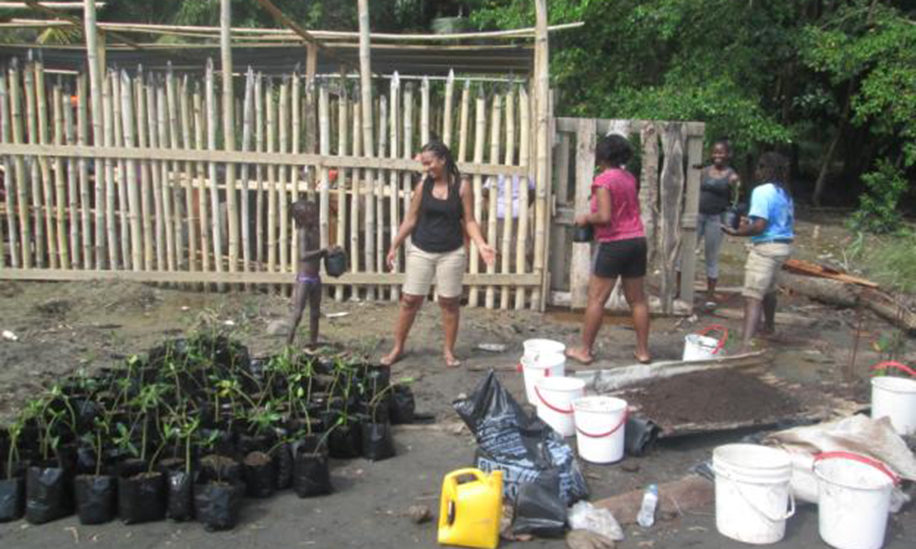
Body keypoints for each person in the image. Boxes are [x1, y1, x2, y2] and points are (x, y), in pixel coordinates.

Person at [380, 140, 497, 368]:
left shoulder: (462, 187)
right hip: (421, 250)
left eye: (429, 163)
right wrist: (394, 245)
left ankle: (448, 351)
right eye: (423, 164)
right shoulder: (423, 187)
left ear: (443, 160)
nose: (426, 168)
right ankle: (397, 347)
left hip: (451, 253)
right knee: (409, 301)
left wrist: (482, 244)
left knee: (449, 303)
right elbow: (411, 219)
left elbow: (469, 220)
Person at [566, 135, 651, 365]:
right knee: (638, 300)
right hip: (637, 240)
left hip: (614, 243)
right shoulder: (629, 178)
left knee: (596, 299)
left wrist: (585, 218)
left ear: (601, 155)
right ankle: (643, 352)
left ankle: (584, 350)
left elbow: (604, 216)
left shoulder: (603, 180)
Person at [722, 151, 794, 352]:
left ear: (766, 169)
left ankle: (745, 344)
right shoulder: (784, 192)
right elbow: (774, 222)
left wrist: (736, 232)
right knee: (769, 289)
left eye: (760, 167)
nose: (756, 171)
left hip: (766, 249)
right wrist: (748, 224)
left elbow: (760, 226)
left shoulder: (762, 191)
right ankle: (769, 327)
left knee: (753, 295)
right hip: (783, 246)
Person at [695, 140, 741, 307]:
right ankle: (680, 291)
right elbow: (693, 191)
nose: (717, 156)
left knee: (711, 256)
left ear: (728, 155)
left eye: (721, 153)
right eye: (715, 152)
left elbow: (735, 201)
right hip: (698, 216)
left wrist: (729, 222)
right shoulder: (703, 172)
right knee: (684, 253)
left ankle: (710, 296)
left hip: (716, 219)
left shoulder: (732, 177)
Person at [287, 198, 333, 347]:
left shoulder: (315, 230)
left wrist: (330, 252)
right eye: (311, 215)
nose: (315, 217)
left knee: (315, 313)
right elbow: (303, 255)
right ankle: (288, 345)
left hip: (315, 277)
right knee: (298, 314)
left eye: (315, 214)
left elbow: (318, 253)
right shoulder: (302, 233)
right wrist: (323, 251)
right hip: (304, 279)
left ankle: (313, 343)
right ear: (301, 218)